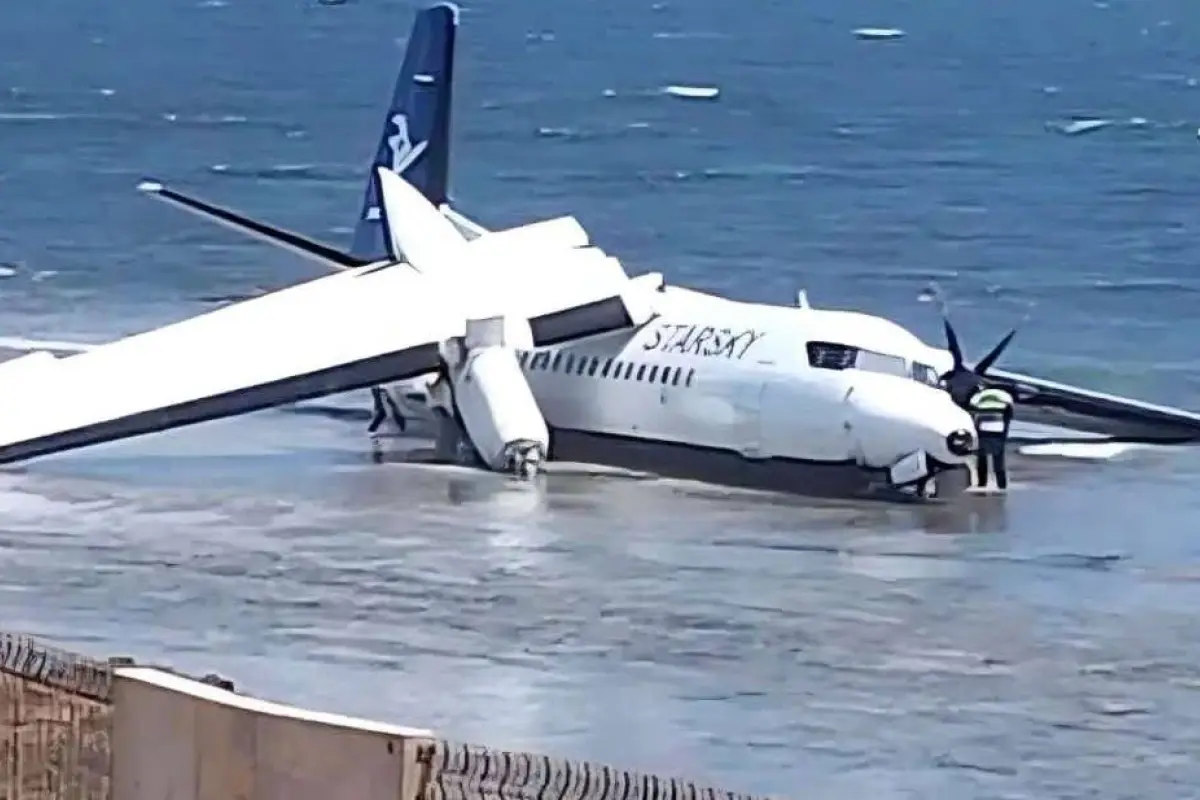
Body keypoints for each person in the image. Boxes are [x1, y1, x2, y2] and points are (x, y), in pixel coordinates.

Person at [968, 386, 1015, 490]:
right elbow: (1009, 415)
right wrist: (1004, 433)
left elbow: (972, 412)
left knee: (981, 457)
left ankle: (981, 483)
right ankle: (1001, 484)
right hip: (998, 428)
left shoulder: (978, 396)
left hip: (982, 429)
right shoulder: (1005, 396)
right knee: (998, 458)